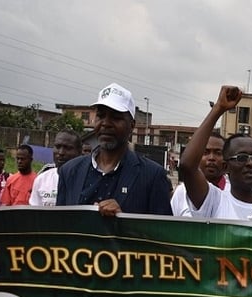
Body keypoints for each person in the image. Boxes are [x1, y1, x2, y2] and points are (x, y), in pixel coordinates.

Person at [56, 83, 173, 216]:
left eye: (116, 117)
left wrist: (123, 221)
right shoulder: (69, 171)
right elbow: (60, 228)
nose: (106, 123)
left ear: (132, 125)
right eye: (101, 116)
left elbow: (162, 234)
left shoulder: (153, 176)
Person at [178, 86, 252, 226]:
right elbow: (187, 166)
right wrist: (218, 109)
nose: (251, 163)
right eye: (242, 158)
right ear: (225, 167)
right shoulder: (214, 201)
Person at [170, 132, 229, 217]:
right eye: (205, 152)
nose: (211, 158)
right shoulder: (181, 191)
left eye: (218, 153)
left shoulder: (234, 192)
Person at [29, 130, 82, 207]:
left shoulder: (88, 180)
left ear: (79, 152)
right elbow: (34, 214)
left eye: (67, 148)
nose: (61, 152)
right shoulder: (41, 179)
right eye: (57, 147)